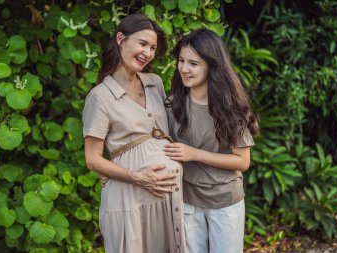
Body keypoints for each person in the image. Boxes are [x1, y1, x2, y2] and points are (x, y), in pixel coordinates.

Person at [83, 14, 185, 253]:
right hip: (129, 197)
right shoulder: (100, 97)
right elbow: (92, 158)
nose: (148, 52)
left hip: (165, 198)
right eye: (142, 44)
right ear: (121, 39)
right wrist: (137, 176)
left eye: (152, 48)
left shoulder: (155, 82)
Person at [164, 29, 259, 253]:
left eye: (193, 64)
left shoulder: (230, 107)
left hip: (225, 202)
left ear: (211, 65)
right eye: (181, 61)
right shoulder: (171, 105)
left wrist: (194, 154)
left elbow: (242, 162)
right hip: (186, 200)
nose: (184, 69)